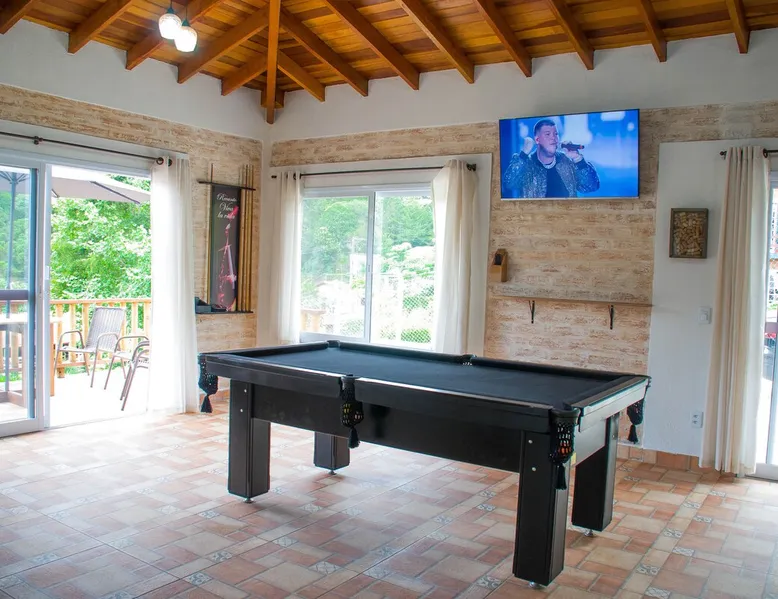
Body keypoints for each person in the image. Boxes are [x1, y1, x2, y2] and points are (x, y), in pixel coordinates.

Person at [502, 119, 600, 198]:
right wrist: (523, 154)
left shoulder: (566, 161)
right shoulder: (527, 164)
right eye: (548, 134)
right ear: (537, 140)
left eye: (556, 134)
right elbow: (510, 183)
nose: (554, 138)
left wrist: (578, 159)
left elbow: (591, 186)